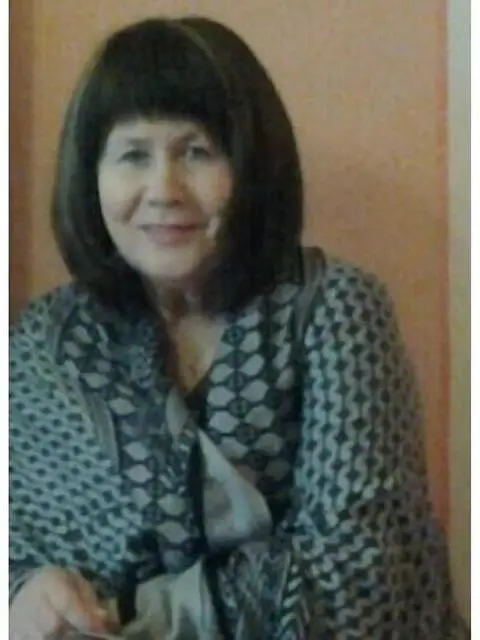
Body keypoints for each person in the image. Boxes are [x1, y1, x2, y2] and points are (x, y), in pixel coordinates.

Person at [9, 15, 465, 640]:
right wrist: (26, 593)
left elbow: (366, 575)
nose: (163, 189)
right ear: (90, 177)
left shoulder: (334, 309)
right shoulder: (45, 348)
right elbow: (18, 555)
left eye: (196, 152)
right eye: (133, 155)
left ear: (252, 169)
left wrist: (144, 612)